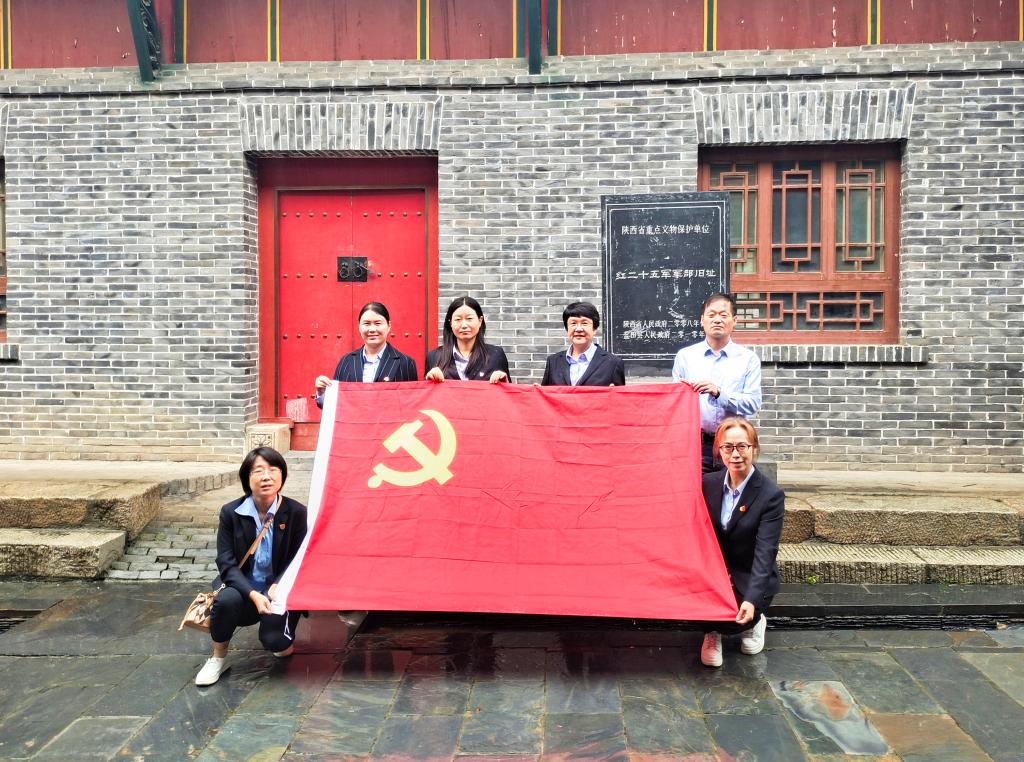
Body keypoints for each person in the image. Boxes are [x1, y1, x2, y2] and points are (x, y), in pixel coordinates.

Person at [195, 447, 308, 686]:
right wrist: (253, 594)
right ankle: (218, 657)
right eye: (258, 471)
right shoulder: (231, 512)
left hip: (276, 590)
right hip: (243, 588)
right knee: (226, 601)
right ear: (247, 478)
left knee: (277, 643)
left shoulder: (296, 512)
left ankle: (279, 636)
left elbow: (298, 557)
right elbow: (226, 563)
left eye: (273, 470)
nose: (266, 477)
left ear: (282, 475)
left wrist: (280, 583)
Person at [699, 418, 783, 668]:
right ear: (719, 451)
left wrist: (752, 599)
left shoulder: (770, 495)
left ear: (754, 449)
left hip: (748, 575)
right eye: (728, 447)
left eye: (742, 446)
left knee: (738, 616)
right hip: (715, 573)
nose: (735, 454)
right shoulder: (707, 484)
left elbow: (765, 551)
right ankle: (711, 632)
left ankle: (756, 621)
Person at [671, 293, 762, 473]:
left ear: (734, 321)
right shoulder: (685, 357)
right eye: (711, 315)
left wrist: (719, 393)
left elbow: (753, 403)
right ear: (702, 320)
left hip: (733, 445)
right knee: (698, 490)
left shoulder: (748, 359)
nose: (717, 320)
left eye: (723, 315)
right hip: (696, 444)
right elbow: (676, 404)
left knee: (733, 490)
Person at [314, 301, 418, 408]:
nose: (372, 329)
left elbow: (411, 405)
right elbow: (335, 407)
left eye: (378, 323)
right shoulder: (346, 362)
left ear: (389, 326)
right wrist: (322, 393)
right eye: (367, 324)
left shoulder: (405, 363)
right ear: (359, 326)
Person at [425, 296, 510, 383]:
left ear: (480, 321)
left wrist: (504, 382)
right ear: (450, 323)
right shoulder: (434, 357)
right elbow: (427, 391)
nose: (464, 325)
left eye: (469, 319)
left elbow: (508, 390)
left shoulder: (496, 355)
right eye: (458, 319)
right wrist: (430, 381)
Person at [540, 301, 626, 387]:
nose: (578, 329)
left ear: (594, 329)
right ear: (567, 329)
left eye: (584, 323)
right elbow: (545, 394)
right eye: (573, 323)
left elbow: (620, 395)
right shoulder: (553, 362)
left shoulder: (613, 364)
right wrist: (536, 392)